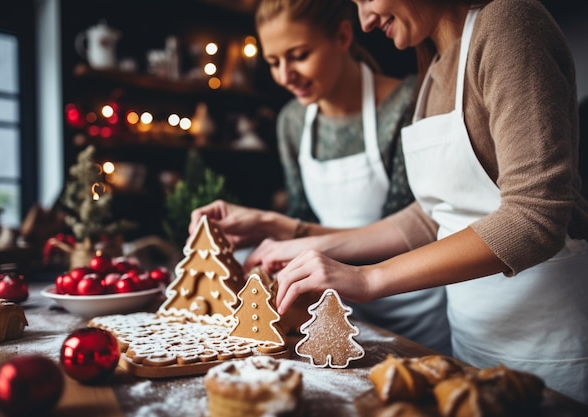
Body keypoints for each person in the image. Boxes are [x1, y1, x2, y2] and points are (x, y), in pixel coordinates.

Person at [244, 0, 588, 403]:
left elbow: (535, 218)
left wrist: (369, 279)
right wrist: (310, 243)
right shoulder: (435, 66)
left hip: (547, 344)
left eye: (367, 0)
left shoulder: (508, 23)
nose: (366, 21)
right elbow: (432, 215)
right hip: (471, 341)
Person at [189, 0, 452, 354]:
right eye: (273, 62)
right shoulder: (292, 122)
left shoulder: (407, 102)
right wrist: (267, 233)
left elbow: (409, 233)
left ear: (343, 36)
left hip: (413, 313)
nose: (284, 75)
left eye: (298, 55)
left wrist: (279, 227)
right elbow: (305, 220)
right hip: (332, 315)